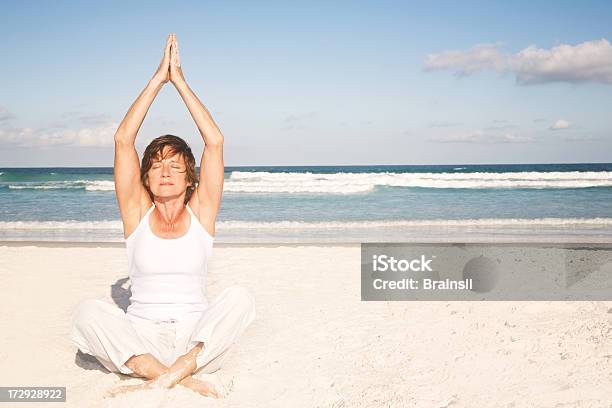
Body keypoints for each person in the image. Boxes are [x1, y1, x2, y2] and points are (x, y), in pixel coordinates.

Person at [69, 33, 256, 399]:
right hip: (141, 339)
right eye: (156, 166)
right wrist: (158, 78)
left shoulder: (202, 212)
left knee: (240, 298)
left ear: (190, 178)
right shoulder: (136, 213)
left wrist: (180, 82)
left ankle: (169, 375)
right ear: (145, 177)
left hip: (195, 338)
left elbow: (214, 141)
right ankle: (177, 379)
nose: (165, 172)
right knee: (86, 313)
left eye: (175, 166)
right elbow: (124, 139)